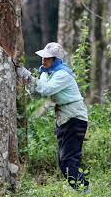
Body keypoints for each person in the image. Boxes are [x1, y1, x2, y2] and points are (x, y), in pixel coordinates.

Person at [16, 42, 90, 192]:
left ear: (55, 60)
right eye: (43, 58)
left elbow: (47, 89)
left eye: (48, 58)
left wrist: (27, 75)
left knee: (69, 161)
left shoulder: (63, 74)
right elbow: (38, 94)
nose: (44, 60)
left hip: (75, 118)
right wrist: (27, 81)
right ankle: (82, 190)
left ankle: (85, 191)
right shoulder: (46, 73)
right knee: (63, 162)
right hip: (63, 119)